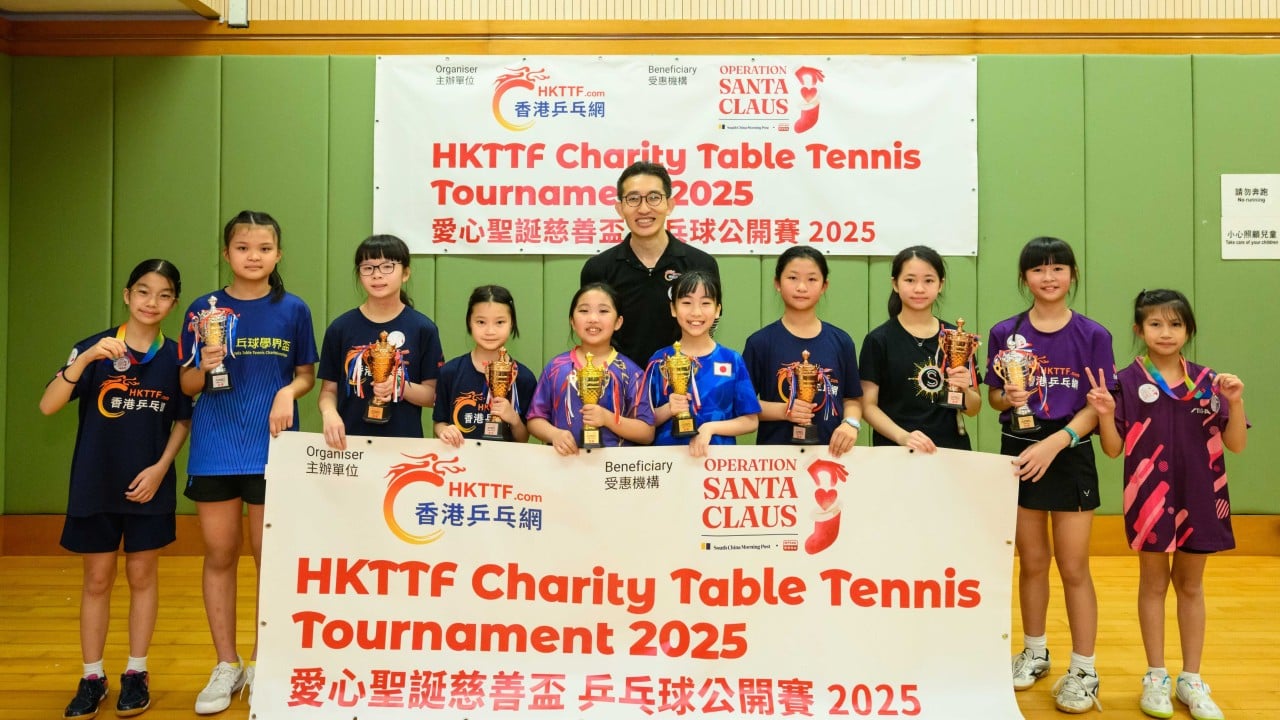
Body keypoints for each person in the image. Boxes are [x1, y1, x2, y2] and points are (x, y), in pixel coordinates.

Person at [40, 259, 191, 720]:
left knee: (143, 577)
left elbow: (183, 420)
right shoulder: (95, 348)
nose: (151, 302)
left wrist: (161, 469)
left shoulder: (177, 356)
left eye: (163, 295)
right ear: (127, 295)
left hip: (149, 486)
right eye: (143, 292)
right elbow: (48, 405)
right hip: (95, 483)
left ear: (174, 303)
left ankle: (136, 672)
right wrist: (85, 359)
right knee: (97, 580)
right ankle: (92, 677)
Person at [1085, 289, 1246, 720]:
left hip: (1202, 496)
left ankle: (1191, 678)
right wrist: (1105, 412)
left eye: (1175, 324)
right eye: (1155, 324)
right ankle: (1155, 676)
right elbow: (1113, 449)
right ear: (1139, 330)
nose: (1166, 332)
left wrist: (1235, 401)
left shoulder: (1211, 382)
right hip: (1150, 500)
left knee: (1191, 586)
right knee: (1153, 584)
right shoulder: (1125, 381)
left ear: (1188, 330)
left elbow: (1236, 443)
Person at [180, 210, 318, 714]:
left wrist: (287, 392)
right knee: (220, 553)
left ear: (278, 254)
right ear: (227, 254)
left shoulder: (293, 309)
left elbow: (305, 374)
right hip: (215, 447)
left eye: (263, 248)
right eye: (243, 248)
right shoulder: (203, 309)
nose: (253, 256)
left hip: (273, 448)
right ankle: (226, 663)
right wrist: (203, 365)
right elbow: (186, 384)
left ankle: (263, 662)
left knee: (268, 556)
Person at [985, 236, 1114, 714]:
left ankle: (1084, 670)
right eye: (1038, 269)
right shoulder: (1005, 332)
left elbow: (1098, 406)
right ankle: (1035, 652)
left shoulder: (1094, 335)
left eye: (1058, 268)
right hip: (1018, 449)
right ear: (1025, 278)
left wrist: (1057, 441)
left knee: (1074, 566)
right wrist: (1009, 397)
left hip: (1069, 449)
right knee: (1032, 561)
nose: (1049, 277)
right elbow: (995, 396)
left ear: (1072, 275)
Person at [580, 161, 720, 364]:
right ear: (620, 208)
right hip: (618, 378)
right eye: (633, 199)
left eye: (654, 197)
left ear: (669, 205)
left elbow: (710, 324)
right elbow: (591, 329)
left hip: (683, 376)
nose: (644, 209)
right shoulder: (598, 269)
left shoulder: (700, 264)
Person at [318, 234, 442, 449]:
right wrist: (329, 413)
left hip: (404, 446)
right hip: (349, 445)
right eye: (368, 268)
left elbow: (433, 396)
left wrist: (399, 386)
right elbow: (328, 391)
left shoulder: (423, 329)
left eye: (387, 266)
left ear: (405, 273)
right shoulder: (340, 328)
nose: (377, 275)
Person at [860, 245, 980, 452]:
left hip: (950, 452)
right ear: (895, 284)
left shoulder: (957, 339)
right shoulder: (878, 340)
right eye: (910, 280)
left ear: (940, 284)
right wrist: (902, 436)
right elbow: (867, 405)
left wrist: (964, 390)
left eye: (928, 280)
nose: (919, 289)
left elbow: (974, 408)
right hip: (895, 451)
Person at [743, 247, 861, 455]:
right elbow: (743, 404)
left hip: (831, 455)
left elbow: (852, 399)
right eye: (792, 278)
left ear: (824, 286)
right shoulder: (759, 343)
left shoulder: (841, 341)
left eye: (812, 279)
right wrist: (784, 410)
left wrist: (851, 423)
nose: (801, 287)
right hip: (776, 459)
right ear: (777, 283)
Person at [527, 282, 655, 454]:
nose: (593, 318)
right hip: (565, 464)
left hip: (614, 467)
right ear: (572, 321)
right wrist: (554, 434)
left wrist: (608, 418)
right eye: (584, 311)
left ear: (618, 322)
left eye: (603, 311)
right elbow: (534, 419)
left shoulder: (631, 372)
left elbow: (647, 432)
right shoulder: (556, 368)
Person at [646, 271, 760, 457]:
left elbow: (750, 421)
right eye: (686, 303)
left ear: (717, 309)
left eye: (705, 303)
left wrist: (710, 428)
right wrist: (668, 409)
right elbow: (643, 422)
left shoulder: (731, 359)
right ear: (673, 308)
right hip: (668, 465)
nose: (696, 312)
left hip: (718, 464)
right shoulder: (659, 360)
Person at [434, 285, 536, 447]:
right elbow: (439, 422)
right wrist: (444, 431)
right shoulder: (450, 372)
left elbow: (523, 439)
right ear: (469, 322)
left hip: (504, 461)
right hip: (461, 460)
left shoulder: (523, 377)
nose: (490, 331)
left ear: (512, 323)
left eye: (500, 322)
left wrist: (514, 419)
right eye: (481, 322)